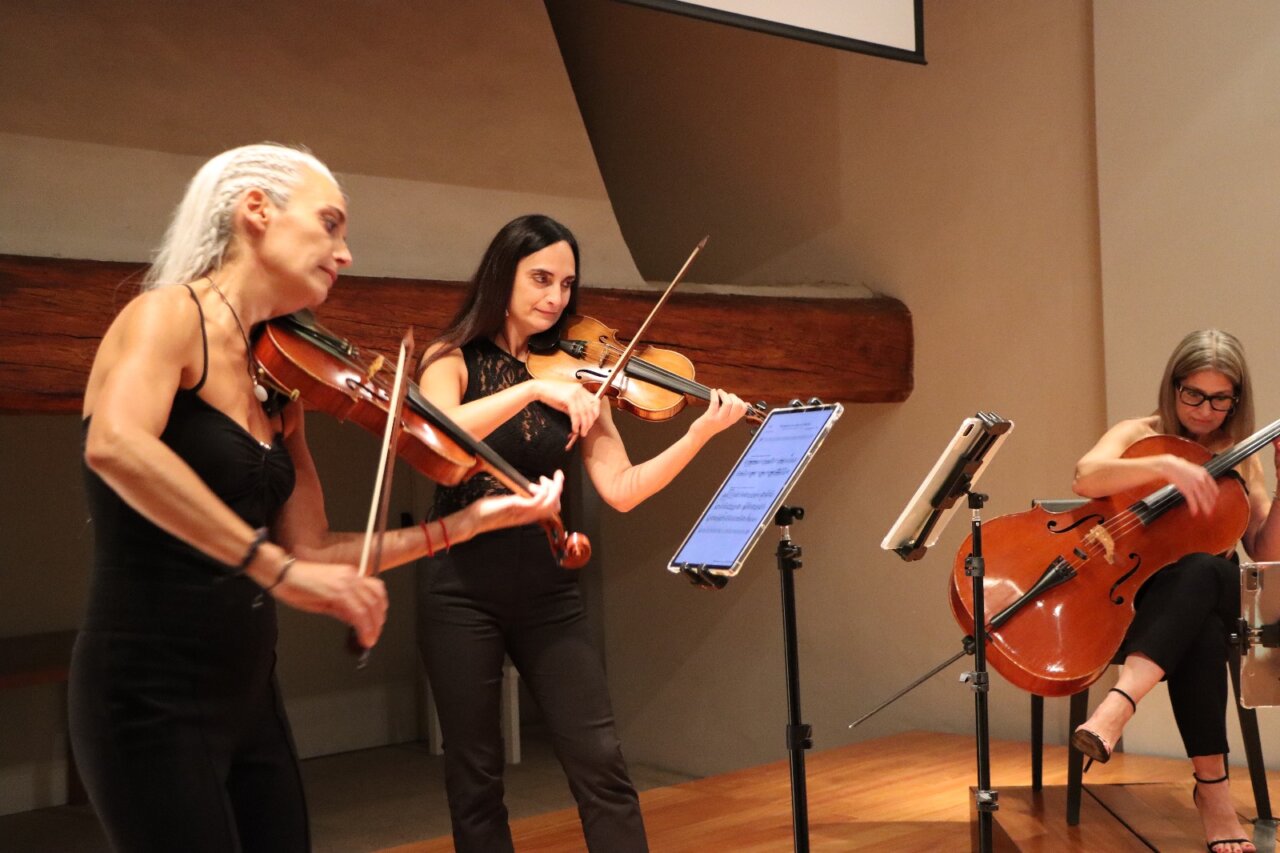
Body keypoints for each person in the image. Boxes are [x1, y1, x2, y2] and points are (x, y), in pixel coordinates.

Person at [70, 144, 564, 853]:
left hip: (248, 692)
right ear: (256, 212)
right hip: (147, 692)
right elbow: (114, 444)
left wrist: (469, 521)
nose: (345, 252)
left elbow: (313, 549)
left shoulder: (277, 382)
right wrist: (273, 571)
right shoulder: (163, 318)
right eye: (329, 224)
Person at [416, 213, 749, 852]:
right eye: (541, 279)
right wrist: (534, 388)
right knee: (476, 776)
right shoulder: (451, 360)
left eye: (567, 285)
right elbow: (441, 439)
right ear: (501, 276)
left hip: (547, 585)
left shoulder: (578, 378)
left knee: (601, 760)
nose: (555, 298)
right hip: (459, 586)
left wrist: (698, 434)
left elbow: (622, 491)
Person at [1070, 329, 1280, 853]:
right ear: (1174, 386)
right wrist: (1164, 464)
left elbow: (1264, 551)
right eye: (1194, 395)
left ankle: (1118, 706)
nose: (1206, 411)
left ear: (1237, 398)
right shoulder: (1139, 435)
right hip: (1147, 600)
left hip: (1212, 585)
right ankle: (1213, 794)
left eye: (1220, 398)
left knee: (1206, 569)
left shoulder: (1241, 456)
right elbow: (1086, 477)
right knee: (1202, 628)